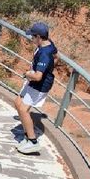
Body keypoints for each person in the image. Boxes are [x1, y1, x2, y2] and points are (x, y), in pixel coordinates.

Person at [15, 22, 58, 155]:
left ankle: (33, 142)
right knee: (17, 102)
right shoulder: (48, 43)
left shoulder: (44, 54)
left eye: (33, 36)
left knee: (23, 109)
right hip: (32, 82)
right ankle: (28, 135)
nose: (31, 39)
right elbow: (56, 56)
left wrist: (28, 74)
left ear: (39, 36)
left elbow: (38, 76)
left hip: (38, 84)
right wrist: (49, 68)